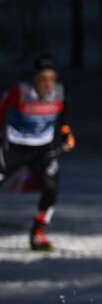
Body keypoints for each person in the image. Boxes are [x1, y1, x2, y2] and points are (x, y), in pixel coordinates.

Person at [0, 55, 75, 251]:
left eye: (52, 79)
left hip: (43, 149)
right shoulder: (20, 92)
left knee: (51, 188)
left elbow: (64, 118)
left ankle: (38, 232)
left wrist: (67, 135)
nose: (48, 84)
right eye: (43, 79)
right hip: (15, 146)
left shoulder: (60, 92)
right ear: (35, 79)